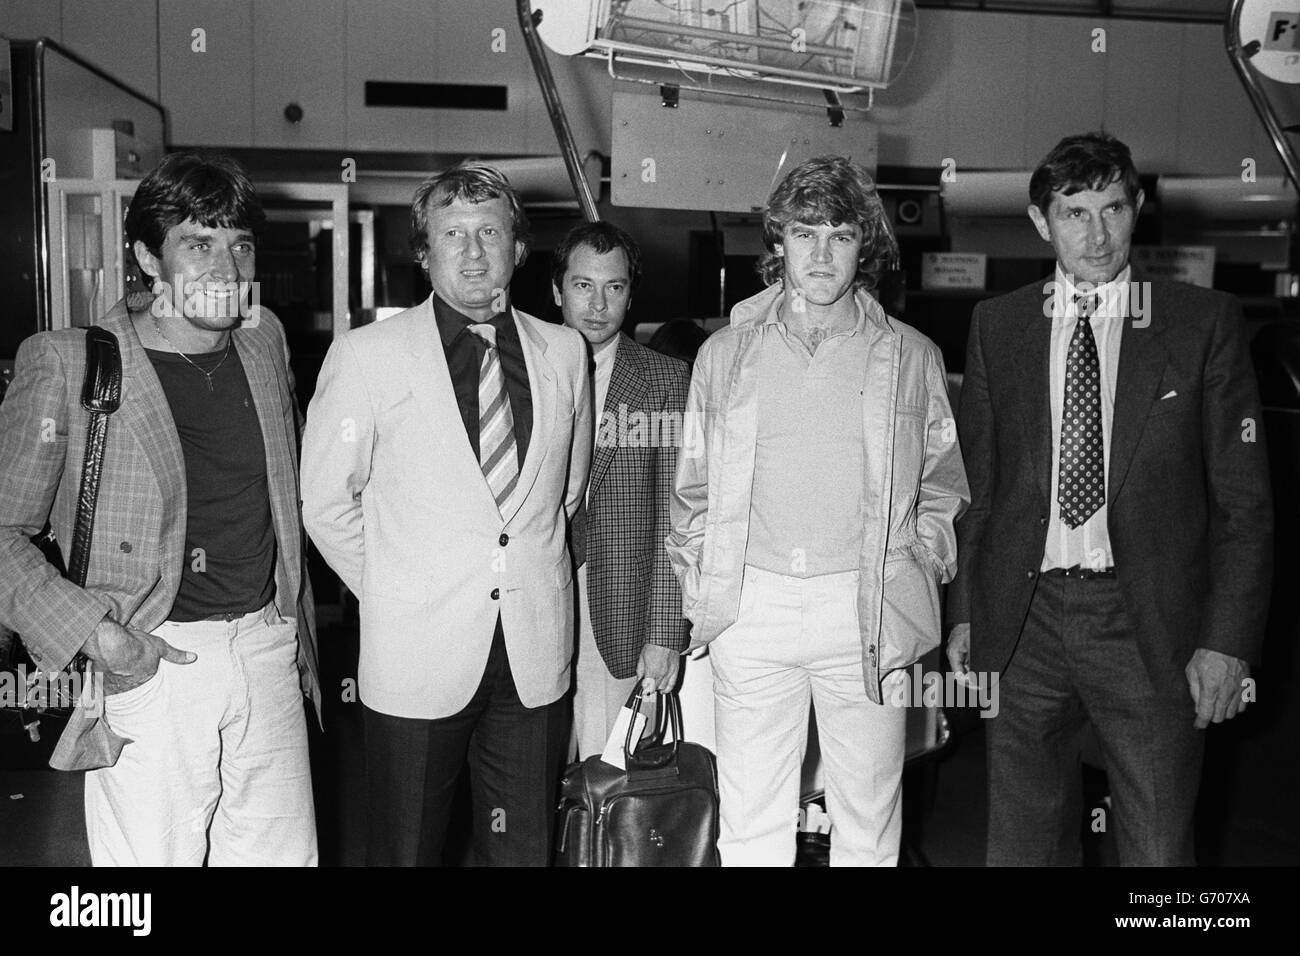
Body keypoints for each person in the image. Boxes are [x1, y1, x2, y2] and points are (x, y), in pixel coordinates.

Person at [946, 132, 1273, 866]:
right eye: (1073, 213)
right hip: (1024, 622)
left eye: (1112, 209)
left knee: (1157, 847)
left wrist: (1228, 642)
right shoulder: (999, 327)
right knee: (1023, 847)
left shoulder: (1202, 323)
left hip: (1148, 622)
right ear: (1041, 222)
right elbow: (979, 490)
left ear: (1138, 210)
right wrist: (967, 614)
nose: (1095, 234)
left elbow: (1244, 506)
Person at [0, 151, 320, 866]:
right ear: (148, 256)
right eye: (197, 244)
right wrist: (100, 638)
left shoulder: (263, 340)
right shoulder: (70, 362)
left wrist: (290, 633)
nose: (227, 268)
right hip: (152, 657)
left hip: (266, 646)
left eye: (240, 244)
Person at [667, 155, 969, 866]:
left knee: (868, 827)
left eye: (839, 234)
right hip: (753, 609)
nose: (821, 252)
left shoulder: (911, 355)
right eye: (805, 233)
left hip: (865, 611)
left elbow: (943, 485)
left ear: (865, 245)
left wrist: (915, 569)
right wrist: (707, 584)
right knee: (750, 825)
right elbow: (693, 491)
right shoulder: (725, 354)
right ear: (779, 242)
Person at [301, 163, 592, 866]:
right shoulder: (368, 356)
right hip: (416, 656)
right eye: (451, 235)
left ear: (518, 248)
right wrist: (400, 589)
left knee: (521, 851)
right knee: (407, 850)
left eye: (489, 231)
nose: (472, 251)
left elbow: (567, 494)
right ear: (423, 252)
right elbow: (324, 501)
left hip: (532, 655)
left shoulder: (565, 351)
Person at [553, 221, 690, 758]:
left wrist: (664, 631)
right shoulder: (520, 368)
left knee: (606, 775)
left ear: (631, 294)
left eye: (614, 287)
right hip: (532, 598)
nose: (597, 303)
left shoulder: (664, 381)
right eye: (583, 285)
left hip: (618, 610)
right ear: (556, 289)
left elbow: (674, 516)